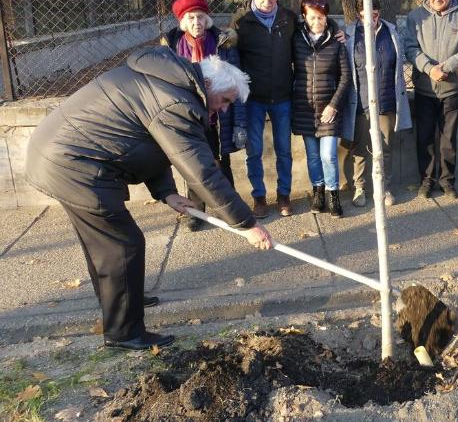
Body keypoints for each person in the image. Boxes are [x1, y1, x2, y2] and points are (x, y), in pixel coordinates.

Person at [26, 48, 274, 350]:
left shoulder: (168, 83)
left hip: (65, 156)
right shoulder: (176, 102)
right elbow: (202, 172)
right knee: (122, 245)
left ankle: (123, 294)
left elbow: (151, 143)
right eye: (225, 101)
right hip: (73, 164)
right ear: (208, 86)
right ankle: (124, 332)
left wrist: (167, 193)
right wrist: (245, 224)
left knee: (105, 243)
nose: (223, 109)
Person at [161, 0, 247, 232]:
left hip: (218, 117)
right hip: (188, 116)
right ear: (183, 21)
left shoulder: (223, 44)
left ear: (207, 19)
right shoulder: (172, 47)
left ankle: (231, 210)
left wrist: (240, 123)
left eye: (200, 17)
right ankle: (196, 211)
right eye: (191, 18)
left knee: (221, 163)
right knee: (193, 165)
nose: (196, 22)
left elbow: (236, 83)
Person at [404, 0, 458, 199]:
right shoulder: (415, 17)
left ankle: (447, 180)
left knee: (448, 139)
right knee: (424, 137)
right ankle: (426, 181)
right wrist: (429, 68)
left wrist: (447, 67)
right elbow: (410, 48)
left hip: (451, 89)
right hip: (425, 89)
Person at [232, 0, 298, 218]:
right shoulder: (242, 22)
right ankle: (259, 197)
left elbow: (307, 35)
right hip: (254, 99)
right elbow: (231, 54)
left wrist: (334, 29)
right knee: (254, 150)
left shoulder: (288, 18)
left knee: (284, 148)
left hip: (283, 96)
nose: (268, 1)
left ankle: (284, 196)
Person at [343, 0, 412, 208]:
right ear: (358, 14)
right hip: (361, 101)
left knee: (385, 147)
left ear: (379, 13)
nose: (370, 20)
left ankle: (384, 187)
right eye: (365, 16)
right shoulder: (349, 34)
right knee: (361, 147)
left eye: (374, 15)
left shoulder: (390, 32)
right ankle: (361, 187)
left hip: (386, 100)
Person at [292, 0, 351, 217]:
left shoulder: (337, 41)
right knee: (313, 156)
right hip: (304, 107)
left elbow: (346, 78)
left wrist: (334, 105)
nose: (318, 21)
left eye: (322, 17)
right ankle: (318, 193)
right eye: (313, 17)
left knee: (328, 155)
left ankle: (333, 194)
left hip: (329, 108)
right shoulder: (296, 39)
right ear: (305, 17)